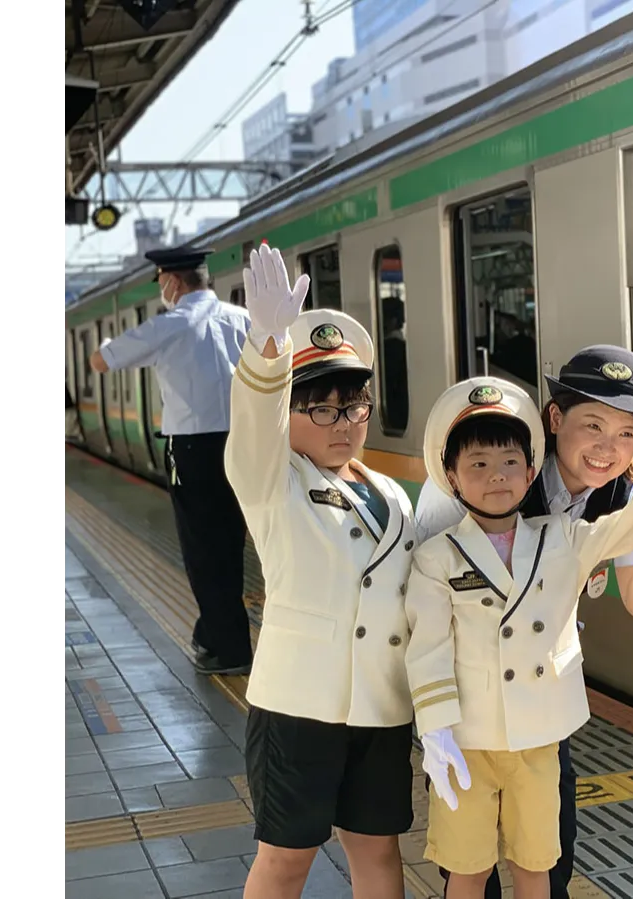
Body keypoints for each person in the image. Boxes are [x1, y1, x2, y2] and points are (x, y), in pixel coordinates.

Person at [404, 375, 633, 899]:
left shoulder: (560, 537)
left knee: (540, 862)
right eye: (477, 465)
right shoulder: (435, 555)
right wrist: (434, 730)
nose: (497, 476)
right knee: (466, 867)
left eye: (510, 463)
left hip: (540, 734)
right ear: (450, 476)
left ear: (531, 468)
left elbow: (623, 529)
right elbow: (426, 647)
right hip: (468, 737)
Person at [226, 244, 418, 899]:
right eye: (324, 409)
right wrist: (267, 349)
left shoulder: (391, 493)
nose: (346, 424)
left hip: (381, 705)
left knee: (380, 853)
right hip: (298, 706)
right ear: (289, 416)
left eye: (355, 406)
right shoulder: (270, 480)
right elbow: (253, 421)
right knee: (286, 858)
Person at [89, 244, 254, 676]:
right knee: (232, 542)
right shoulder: (242, 320)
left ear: (173, 281)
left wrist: (109, 342)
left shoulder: (170, 325)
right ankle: (215, 632)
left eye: (161, 280)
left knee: (203, 548)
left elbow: (100, 361)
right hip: (244, 444)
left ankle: (227, 647)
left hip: (194, 451)